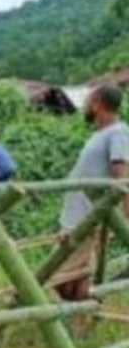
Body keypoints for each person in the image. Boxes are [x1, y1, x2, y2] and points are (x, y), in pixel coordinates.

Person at [57, 84, 129, 301]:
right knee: (76, 278)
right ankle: (82, 322)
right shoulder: (101, 134)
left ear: (98, 103)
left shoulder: (118, 132)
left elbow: (122, 175)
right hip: (77, 215)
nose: (85, 105)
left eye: (88, 100)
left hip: (88, 216)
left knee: (58, 275)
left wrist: (126, 214)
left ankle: (85, 310)